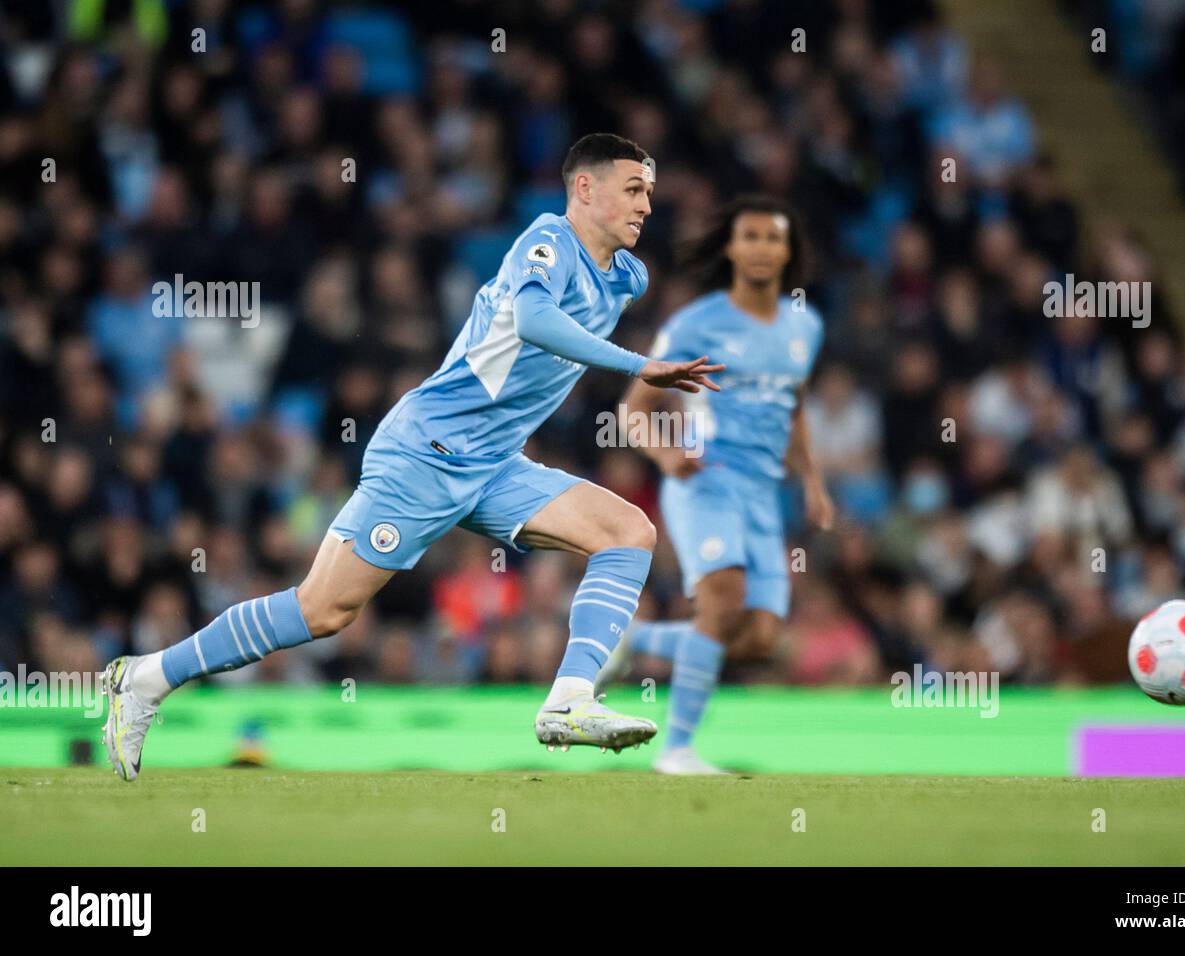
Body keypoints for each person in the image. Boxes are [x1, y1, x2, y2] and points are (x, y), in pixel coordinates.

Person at [100, 133, 724, 780]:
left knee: (628, 533)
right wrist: (640, 365)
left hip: (493, 461)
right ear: (584, 189)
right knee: (324, 610)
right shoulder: (546, 242)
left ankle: (568, 702)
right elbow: (534, 319)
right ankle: (147, 678)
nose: (647, 205)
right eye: (633, 189)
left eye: (649, 191)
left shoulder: (627, 276)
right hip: (430, 448)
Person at [597, 196, 833, 774]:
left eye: (773, 238)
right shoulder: (695, 324)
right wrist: (665, 454)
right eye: (749, 236)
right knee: (722, 600)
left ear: (788, 251)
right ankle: (676, 750)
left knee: (756, 638)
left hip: (763, 493)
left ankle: (634, 641)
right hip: (707, 478)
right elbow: (634, 407)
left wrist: (813, 482)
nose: (761, 248)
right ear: (729, 247)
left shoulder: (805, 325)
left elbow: (793, 406)